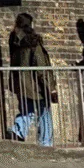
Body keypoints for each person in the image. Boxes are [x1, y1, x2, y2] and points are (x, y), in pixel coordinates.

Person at [7, 13, 58, 146]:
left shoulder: (14, 41)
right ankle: (45, 142)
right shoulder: (34, 42)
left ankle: (17, 130)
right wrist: (51, 89)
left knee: (26, 110)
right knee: (44, 113)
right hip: (37, 86)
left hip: (21, 84)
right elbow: (41, 67)